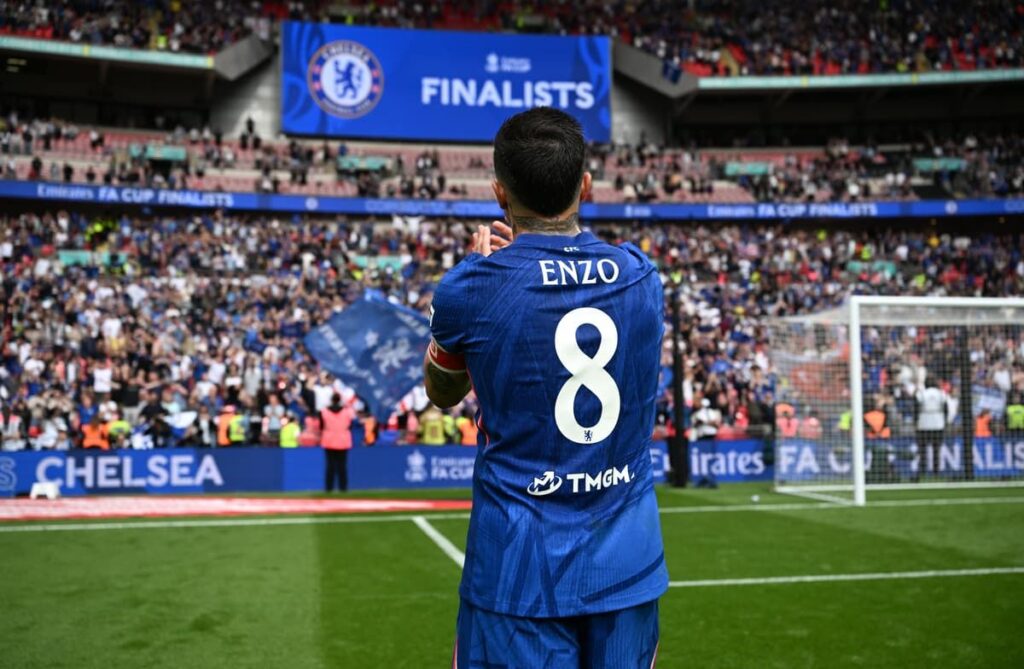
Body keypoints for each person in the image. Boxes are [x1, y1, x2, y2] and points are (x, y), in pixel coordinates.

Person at [424, 108, 666, 668]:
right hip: (626, 564)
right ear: (586, 185)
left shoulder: (472, 287)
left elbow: (441, 391)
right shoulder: (642, 275)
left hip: (517, 567)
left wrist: (483, 271)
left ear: (499, 194)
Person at [321, 393, 354, 492]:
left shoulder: (324, 411)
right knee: (342, 466)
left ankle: (329, 488)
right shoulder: (347, 411)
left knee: (330, 466)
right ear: (340, 400)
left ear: (332, 400)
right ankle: (343, 488)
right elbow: (351, 425)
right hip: (343, 441)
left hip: (329, 440)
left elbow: (321, 426)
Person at [916, 378, 949, 478]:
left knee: (922, 451)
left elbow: (916, 408)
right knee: (936, 451)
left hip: (923, 424)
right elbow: (946, 409)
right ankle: (936, 472)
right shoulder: (941, 394)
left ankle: (922, 471)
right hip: (938, 424)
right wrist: (945, 421)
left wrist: (915, 421)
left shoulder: (921, 394)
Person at [691, 397, 722, 488]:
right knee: (704, 459)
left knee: (708, 459)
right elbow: (695, 424)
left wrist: (706, 422)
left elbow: (716, 424)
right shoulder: (699, 413)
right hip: (703, 437)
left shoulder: (711, 413)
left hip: (709, 437)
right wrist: (708, 422)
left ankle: (709, 480)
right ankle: (704, 479)